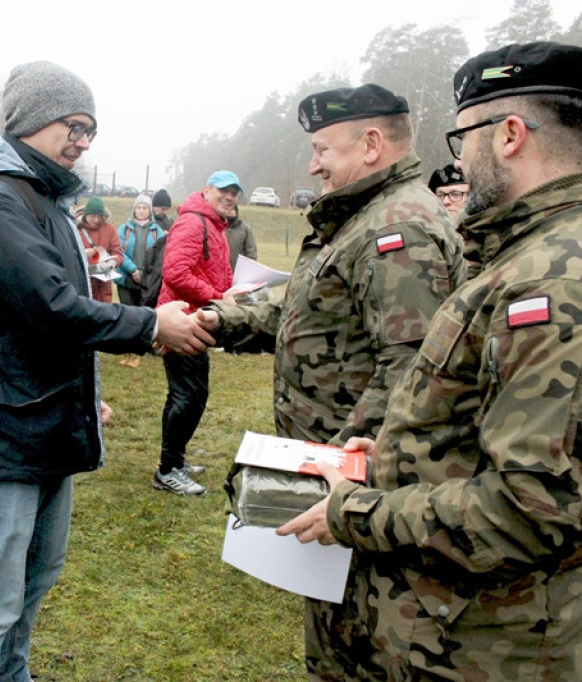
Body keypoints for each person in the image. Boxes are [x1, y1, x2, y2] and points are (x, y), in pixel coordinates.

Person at [279, 42, 582, 680]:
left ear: (510, 135)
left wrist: (354, 512)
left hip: (483, 645)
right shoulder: (529, 258)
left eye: (462, 137)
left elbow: (531, 513)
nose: (457, 156)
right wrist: (390, 450)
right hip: (444, 626)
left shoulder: (556, 285)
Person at [0, 60, 214, 682]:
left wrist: (85, 396)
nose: (84, 140)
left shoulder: (45, 200)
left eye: (91, 129)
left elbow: (53, 314)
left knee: (34, 583)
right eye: (73, 125)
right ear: (31, 119)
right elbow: (52, 308)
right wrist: (150, 325)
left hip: (43, 422)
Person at [197, 84, 465, 679]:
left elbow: (412, 375)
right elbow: (301, 308)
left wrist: (338, 479)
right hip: (336, 481)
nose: (312, 163)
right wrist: (217, 320)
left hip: (358, 484)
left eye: (322, 148)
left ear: (371, 145)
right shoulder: (361, 219)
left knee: (359, 653)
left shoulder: (397, 230)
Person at [154, 170, 240, 497]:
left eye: (234, 193)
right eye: (223, 191)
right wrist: (216, 296)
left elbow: (221, 271)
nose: (230, 197)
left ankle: (176, 459)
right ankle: (167, 469)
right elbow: (175, 272)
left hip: (197, 320)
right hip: (180, 321)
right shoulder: (193, 222)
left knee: (194, 394)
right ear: (206, 190)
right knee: (186, 396)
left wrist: (234, 291)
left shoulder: (216, 226)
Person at [115, 193, 165, 368]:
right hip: (126, 277)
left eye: (145, 208)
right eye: (139, 207)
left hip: (146, 280)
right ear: (134, 209)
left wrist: (143, 273)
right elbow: (119, 251)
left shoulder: (156, 230)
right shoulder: (124, 229)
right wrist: (133, 269)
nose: (142, 211)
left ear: (149, 210)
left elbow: (158, 255)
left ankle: (137, 353)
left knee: (141, 316)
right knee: (127, 315)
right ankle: (127, 352)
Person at [76, 196, 123, 303]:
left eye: (99, 216)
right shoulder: (76, 228)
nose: (96, 220)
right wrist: (84, 254)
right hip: (83, 282)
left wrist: (112, 263)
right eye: (92, 216)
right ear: (86, 214)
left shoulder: (110, 229)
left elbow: (118, 253)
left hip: (103, 286)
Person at [225, 206, 257, 271]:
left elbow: (251, 251)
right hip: (220, 272)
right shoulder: (218, 227)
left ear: (236, 212)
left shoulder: (245, 229)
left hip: (239, 271)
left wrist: (249, 268)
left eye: (231, 210)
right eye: (227, 210)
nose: (229, 212)